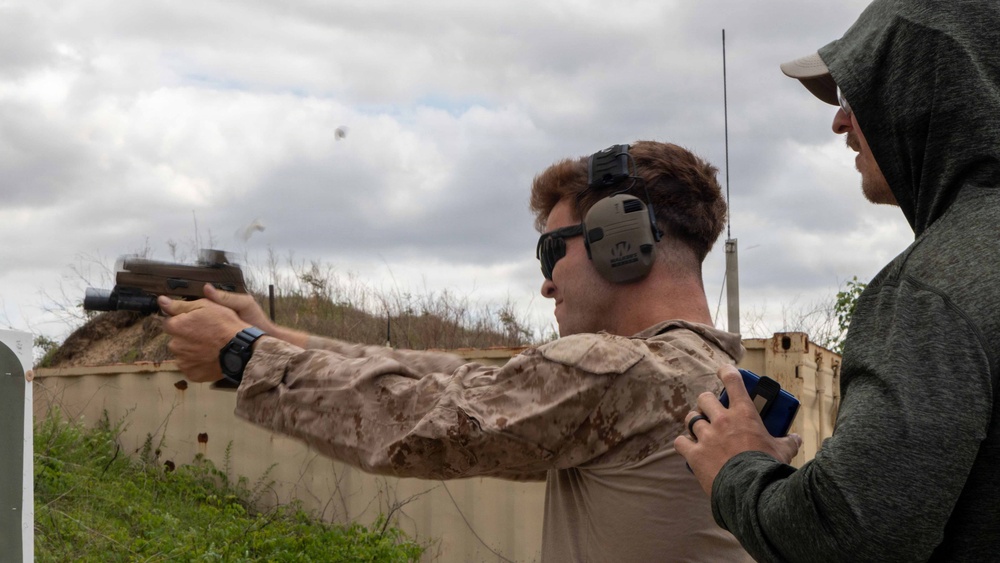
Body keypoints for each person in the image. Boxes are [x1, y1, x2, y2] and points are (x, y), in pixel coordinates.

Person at [159, 140, 752, 561]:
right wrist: (277, 337)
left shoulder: (620, 369)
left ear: (618, 240)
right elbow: (466, 383)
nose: (546, 281)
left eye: (551, 253)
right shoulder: (709, 369)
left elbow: (414, 421)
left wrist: (243, 357)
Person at [675, 0, 1000, 561]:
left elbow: (849, 537)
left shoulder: (933, 289)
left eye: (853, 94)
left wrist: (738, 467)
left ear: (918, 93)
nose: (838, 120)